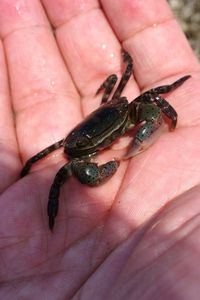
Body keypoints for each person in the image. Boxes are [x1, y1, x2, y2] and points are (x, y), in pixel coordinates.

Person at [0, 0, 199, 299]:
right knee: (58, 180)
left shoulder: (126, 106)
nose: (112, 141)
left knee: (153, 99)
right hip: (82, 141)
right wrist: (36, 173)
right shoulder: (75, 152)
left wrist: (168, 114)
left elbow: (135, 77)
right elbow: (53, 172)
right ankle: (51, 223)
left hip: (114, 112)